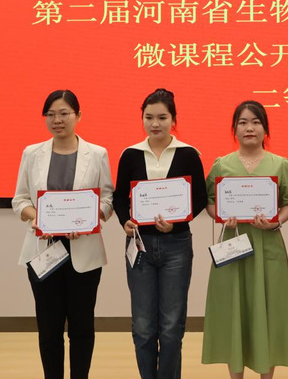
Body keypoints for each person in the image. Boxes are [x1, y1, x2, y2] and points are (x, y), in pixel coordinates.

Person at [11, 89, 114, 379]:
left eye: (64, 113)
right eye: (51, 114)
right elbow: (20, 200)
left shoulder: (97, 154)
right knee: (49, 328)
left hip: (84, 250)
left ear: (78, 116)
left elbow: (107, 199)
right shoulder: (32, 153)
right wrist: (37, 218)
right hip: (43, 250)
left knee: (82, 328)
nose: (57, 120)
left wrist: (88, 218)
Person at [201, 100, 288, 379]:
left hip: (268, 245)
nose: (249, 128)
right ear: (234, 129)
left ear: (265, 129)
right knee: (235, 309)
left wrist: (276, 221)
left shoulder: (280, 164)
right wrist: (222, 216)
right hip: (234, 245)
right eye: (243, 122)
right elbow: (209, 201)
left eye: (256, 122)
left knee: (268, 310)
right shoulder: (222, 164)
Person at [113, 88, 208, 379]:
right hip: (140, 245)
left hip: (176, 245)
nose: (155, 124)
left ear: (173, 120)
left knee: (171, 327)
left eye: (162, 117)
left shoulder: (188, 153)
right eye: (149, 117)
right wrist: (125, 221)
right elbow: (120, 197)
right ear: (142, 118)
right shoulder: (130, 154)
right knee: (143, 327)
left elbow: (199, 198)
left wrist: (175, 224)